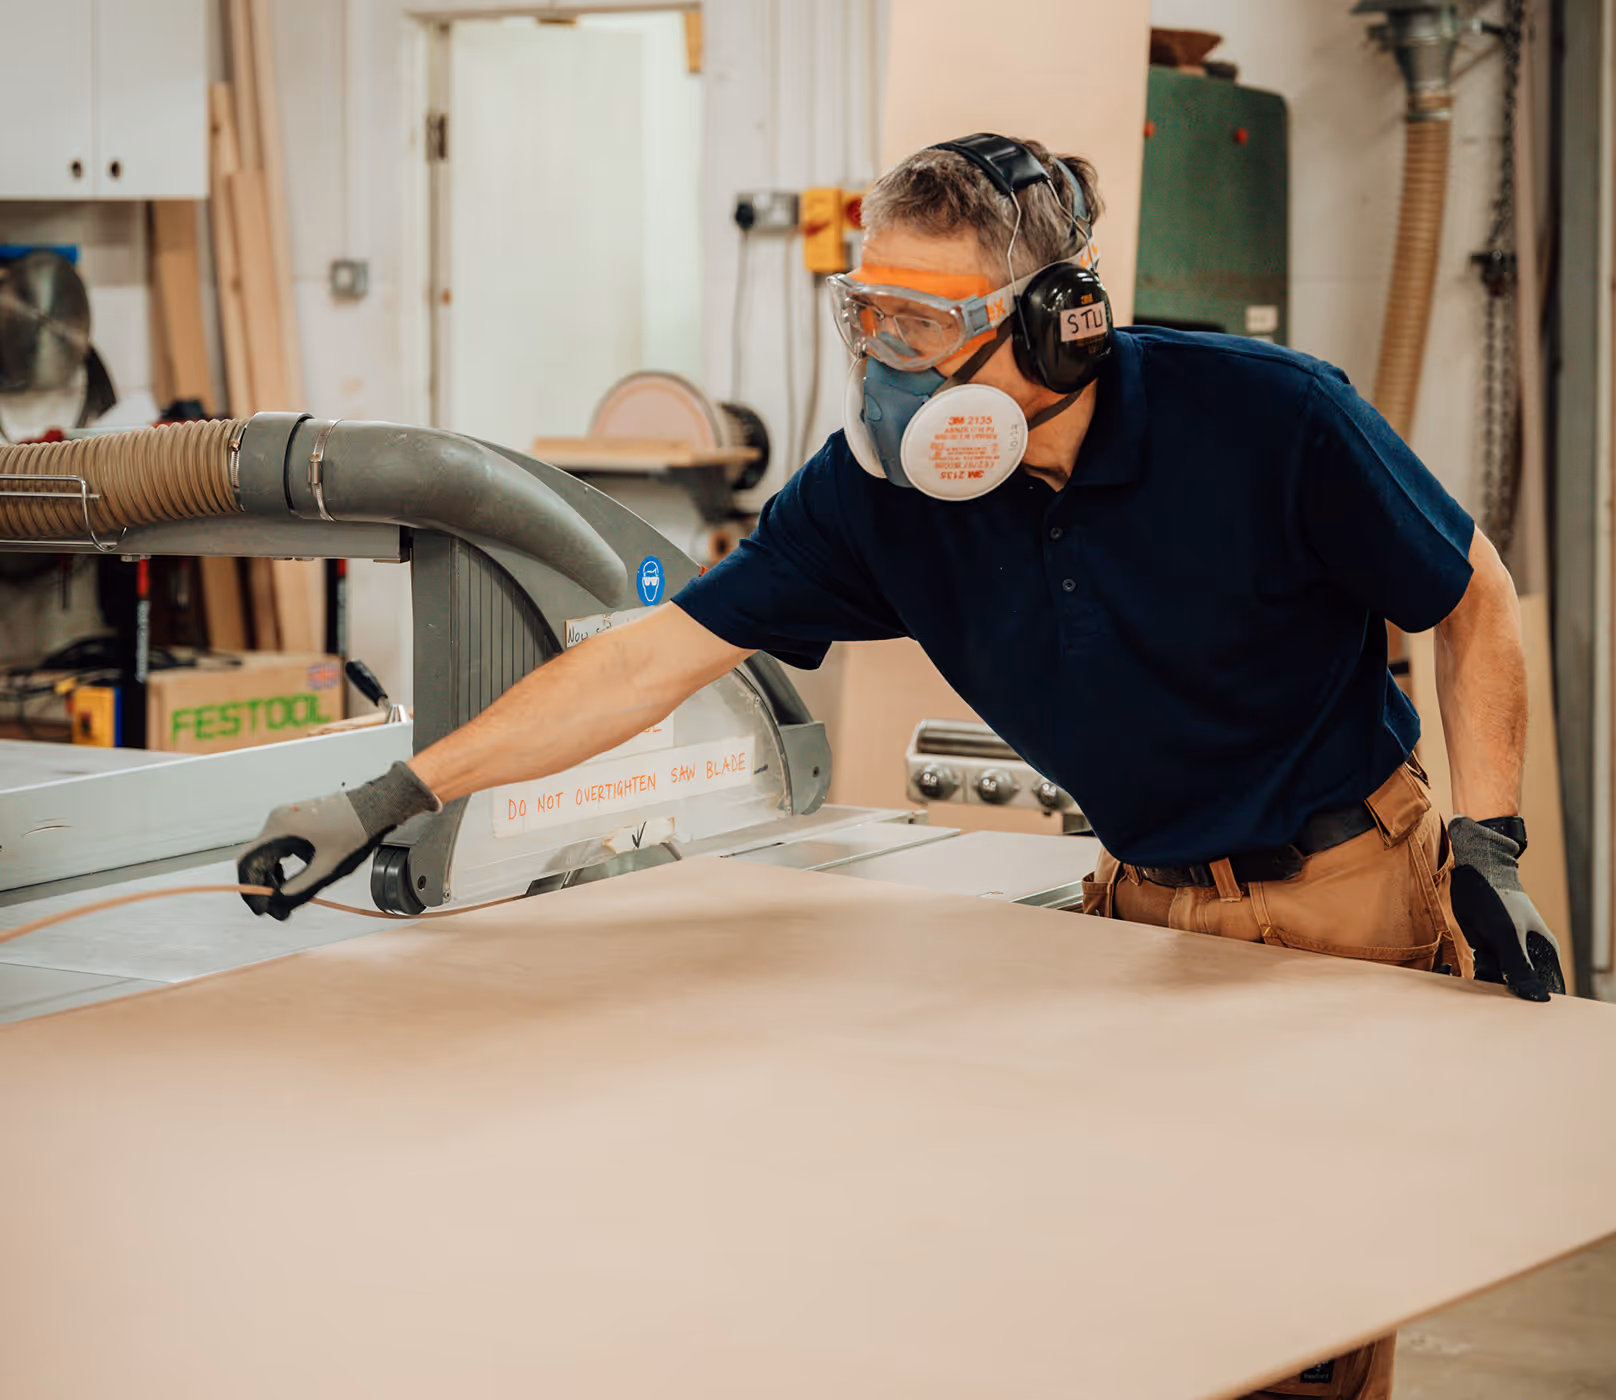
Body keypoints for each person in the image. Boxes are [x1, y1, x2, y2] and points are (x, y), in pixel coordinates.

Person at [240, 134, 1563, 1400]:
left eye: (923, 326)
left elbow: (1473, 595)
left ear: (1058, 320)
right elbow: (651, 661)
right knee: (1153, 1277)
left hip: (1343, 886)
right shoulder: (878, 496)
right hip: (1146, 906)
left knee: (1301, 1311)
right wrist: (395, 796)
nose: (886, 360)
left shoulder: (1270, 418)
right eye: (867, 315)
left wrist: (1489, 843)